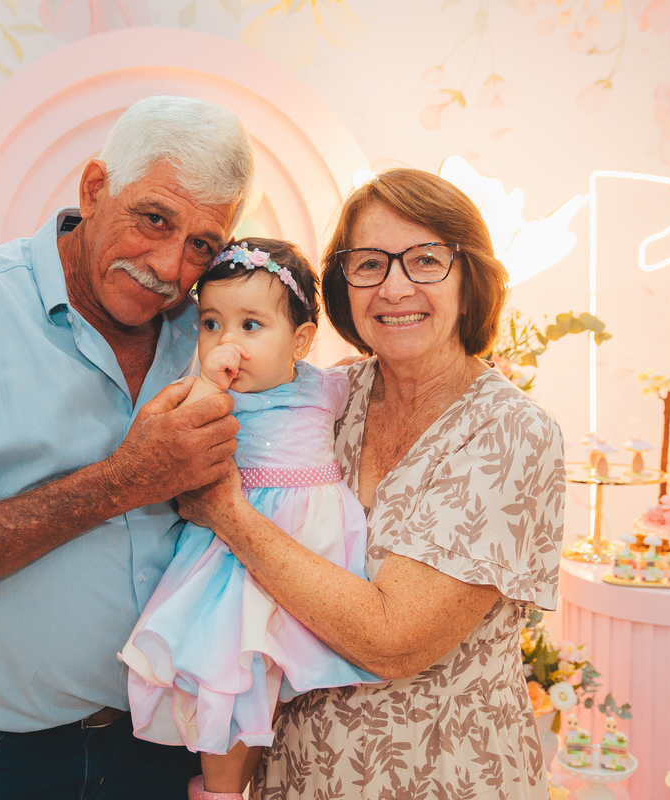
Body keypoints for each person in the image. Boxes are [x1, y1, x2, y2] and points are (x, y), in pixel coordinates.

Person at [0, 95, 255, 799]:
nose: (168, 265)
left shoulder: (211, 336)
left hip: (168, 749)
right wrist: (123, 481)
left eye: (201, 246)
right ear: (94, 189)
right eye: (154, 219)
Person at [176, 168, 566, 799]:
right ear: (344, 285)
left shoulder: (509, 432)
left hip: (441, 778)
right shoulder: (331, 395)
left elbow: (393, 641)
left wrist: (226, 511)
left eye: (426, 260)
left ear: (470, 279)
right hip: (299, 776)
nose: (395, 287)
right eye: (369, 264)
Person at [118, 238, 378, 799]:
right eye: (211, 323)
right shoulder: (210, 394)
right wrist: (209, 381)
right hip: (236, 555)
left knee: (276, 679)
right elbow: (182, 434)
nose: (227, 342)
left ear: (300, 341)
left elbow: (371, 382)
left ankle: (243, 783)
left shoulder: (327, 385)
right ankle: (218, 789)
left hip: (311, 551)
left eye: (251, 325)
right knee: (231, 675)